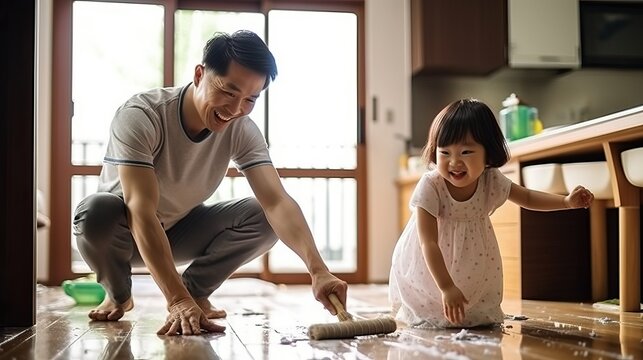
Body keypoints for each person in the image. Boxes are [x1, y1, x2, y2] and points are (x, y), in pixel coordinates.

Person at [73, 30, 348, 336]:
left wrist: (319, 271)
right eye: (228, 92)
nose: (235, 109)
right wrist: (175, 300)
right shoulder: (142, 115)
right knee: (94, 211)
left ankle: (195, 290)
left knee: (263, 216)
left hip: (179, 230)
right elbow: (140, 209)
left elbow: (277, 202)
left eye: (250, 99)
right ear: (199, 74)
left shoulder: (241, 128)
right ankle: (119, 293)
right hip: (122, 232)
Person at [388, 98, 594, 328]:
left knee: (473, 311)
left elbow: (526, 197)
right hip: (430, 264)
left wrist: (565, 202)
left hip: (474, 263)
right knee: (432, 310)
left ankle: (464, 308)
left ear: (488, 154)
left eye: (466, 151)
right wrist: (446, 286)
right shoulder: (431, 185)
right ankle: (439, 303)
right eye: (444, 152)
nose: (454, 162)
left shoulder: (490, 180)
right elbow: (429, 243)